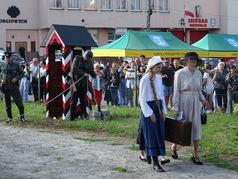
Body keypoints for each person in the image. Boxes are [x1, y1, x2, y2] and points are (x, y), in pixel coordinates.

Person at [171, 52, 207, 165]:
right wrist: (175, 108)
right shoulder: (179, 73)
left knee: (196, 127)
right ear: (186, 61)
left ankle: (196, 155)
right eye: (190, 60)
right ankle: (174, 146)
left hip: (196, 101)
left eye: (194, 60)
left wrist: (203, 99)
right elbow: (176, 91)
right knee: (182, 126)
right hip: (183, 100)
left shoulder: (198, 74)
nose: (192, 62)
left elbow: (199, 89)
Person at [139, 56, 169, 172]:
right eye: (158, 67)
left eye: (160, 67)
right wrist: (149, 113)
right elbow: (141, 99)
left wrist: (164, 111)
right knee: (152, 135)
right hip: (149, 108)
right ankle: (155, 163)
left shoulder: (158, 78)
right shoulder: (145, 79)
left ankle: (152, 155)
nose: (160, 69)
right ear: (151, 67)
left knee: (159, 133)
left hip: (158, 107)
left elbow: (161, 96)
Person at [69, 50, 96, 120]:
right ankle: (71, 117)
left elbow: (91, 71)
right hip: (76, 83)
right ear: (84, 55)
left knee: (83, 101)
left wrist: (97, 75)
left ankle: (84, 116)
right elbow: (73, 68)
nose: (87, 59)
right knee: (74, 101)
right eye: (87, 57)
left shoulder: (90, 62)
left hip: (84, 84)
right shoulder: (77, 58)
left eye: (89, 58)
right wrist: (83, 73)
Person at [0, 51, 26, 122]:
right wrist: (1, 80)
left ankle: (22, 117)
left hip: (14, 86)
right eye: (6, 57)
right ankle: (9, 117)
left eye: (8, 57)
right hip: (5, 87)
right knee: (7, 104)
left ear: (11, 57)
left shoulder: (16, 65)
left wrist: (16, 78)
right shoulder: (2, 65)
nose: (7, 59)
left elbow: (22, 74)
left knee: (19, 102)